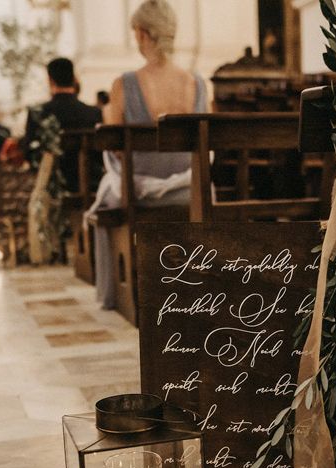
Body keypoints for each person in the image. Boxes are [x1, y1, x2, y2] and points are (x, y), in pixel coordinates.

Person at [91, 0, 208, 309]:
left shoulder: (125, 84)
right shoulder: (197, 83)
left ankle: (113, 296)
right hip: (191, 190)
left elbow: (114, 145)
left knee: (102, 201)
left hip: (139, 193)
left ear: (143, 34)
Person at [22, 57, 102, 192]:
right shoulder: (94, 113)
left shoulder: (38, 114)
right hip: (91, 184)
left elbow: (29, 154)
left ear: (50, 80)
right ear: (73, 78)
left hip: (53, 187)